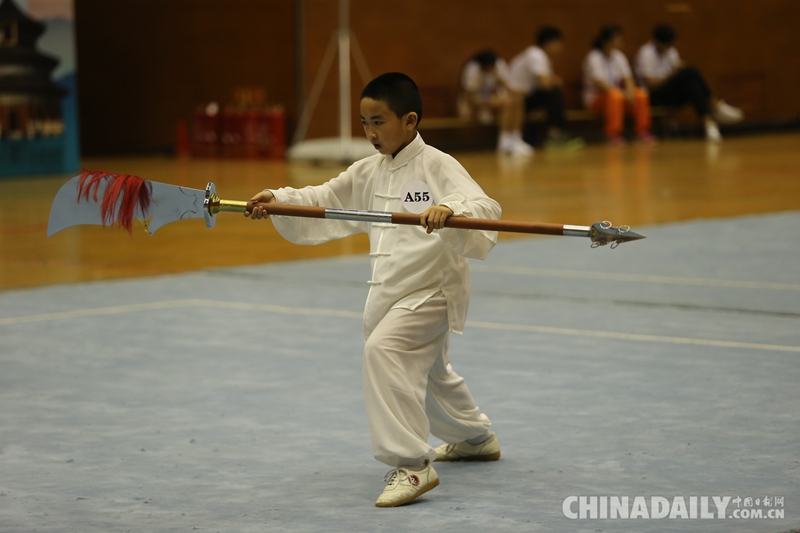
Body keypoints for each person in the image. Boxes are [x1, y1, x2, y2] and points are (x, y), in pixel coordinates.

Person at [245, 73, 502, 508]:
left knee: (384, 353)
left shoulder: (438, 165)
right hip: (391, 294)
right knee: (428, 374)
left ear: (410, 120)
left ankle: (412, 465)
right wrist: (278, 198)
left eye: (378, 121)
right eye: (364, 122)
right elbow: (325, 198)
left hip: (432, 291)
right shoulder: (368, 171)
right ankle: (474, 436)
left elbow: (484, 207)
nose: (370, 132)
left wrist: (451, 208)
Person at [635, 24, 743, 142]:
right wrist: (674, 73)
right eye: (666, 45)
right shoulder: (646, 53)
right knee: (689, 72)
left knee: (693, 86)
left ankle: (709, 123)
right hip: (654, 96)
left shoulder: (671, 51)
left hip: (672, 94)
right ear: (657, 42)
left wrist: (678, 71)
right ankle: (715, 105)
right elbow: (652, 84)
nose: (669, 48)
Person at [508, 25, 584, 149]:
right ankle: (555, 134)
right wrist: (555, 81)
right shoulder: (535, 54)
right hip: (516, 101)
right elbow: (545, 83)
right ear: (550, 42)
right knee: (552, 92)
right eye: (559, 43)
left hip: (526, 98)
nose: (561, 47)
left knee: (553, 92)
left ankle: (558, 132)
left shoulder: (541, 56)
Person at [582, 25, 656, 145]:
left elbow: (628, 78)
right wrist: (621, 93)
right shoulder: (593, 57)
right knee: (615, 95)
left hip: (617, 96)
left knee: (641, 94)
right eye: (618, 39)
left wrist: (630, 92)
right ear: (607, 41)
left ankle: (642, 131)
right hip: (596, 98)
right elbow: (599, 83)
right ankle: (612, 133)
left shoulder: (618, 56)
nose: (621, 42)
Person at [459, 49, 533, 156]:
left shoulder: (499, 64)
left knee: (517, 101)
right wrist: (487, 101)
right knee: (507, 103)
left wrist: (518, 92)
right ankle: (504, 142)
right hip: (475, 102)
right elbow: (469, 98)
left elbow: (506, 86)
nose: (492, 69)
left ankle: (516, 139)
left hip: (492, 98)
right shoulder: (472, 70)